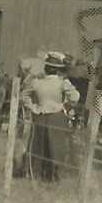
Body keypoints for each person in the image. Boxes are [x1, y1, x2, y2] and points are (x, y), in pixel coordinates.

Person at [23, 51, 80, 180]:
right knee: (57, 147)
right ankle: (55, 175)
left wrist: (34, 108)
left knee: (38, 145)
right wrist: (65, 107)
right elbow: (75, 97)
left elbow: (24, 96)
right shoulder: (62, 83)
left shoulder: (36, 82)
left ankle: (35, 173)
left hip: (40, 116)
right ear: (58, 70)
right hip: (57, 117)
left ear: (46, 68)